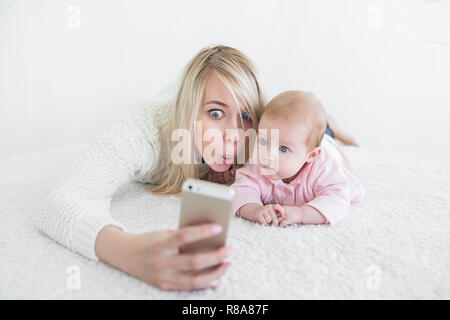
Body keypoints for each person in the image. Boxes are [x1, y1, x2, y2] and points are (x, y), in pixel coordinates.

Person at [36, 45, 358, 291]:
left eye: (245, 117)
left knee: (319, 128)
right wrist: (127, 251)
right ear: (190, 111)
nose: (235, 136)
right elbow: (62, 199)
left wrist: (328, 148)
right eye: (216, 114)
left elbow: (314, 153)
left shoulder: (260, 134)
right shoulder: (145, 130)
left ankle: (330, 122)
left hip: (308, 125)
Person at [231, 90, 363, 227]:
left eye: (283, 149)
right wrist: (255, 210)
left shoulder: (322, 167)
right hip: (303, 144)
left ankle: (331, 126)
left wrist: (302, 213)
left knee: (338, 154)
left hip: (330, 149)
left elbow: (337, 199)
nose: (267, 155)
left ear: (311, 156)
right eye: (264, 141)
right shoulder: (257, 166)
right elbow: (240, 191)